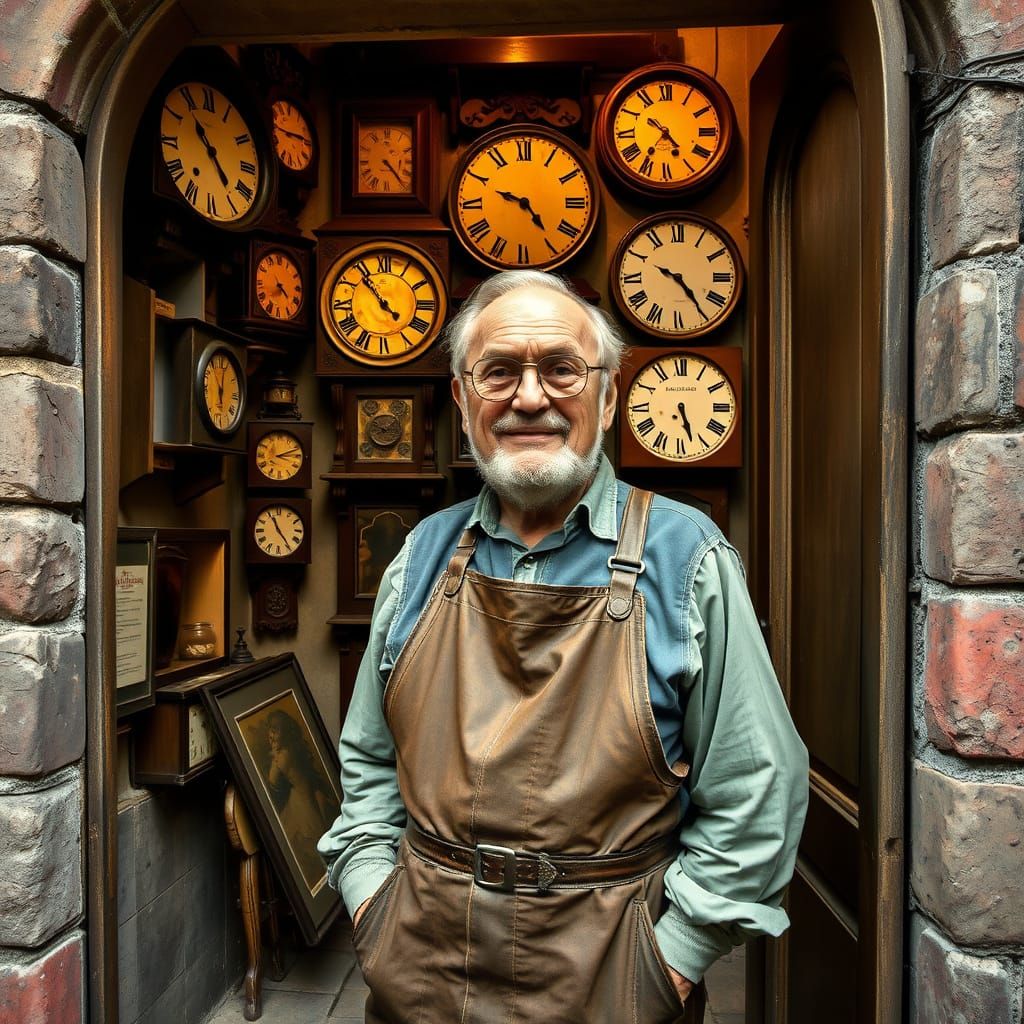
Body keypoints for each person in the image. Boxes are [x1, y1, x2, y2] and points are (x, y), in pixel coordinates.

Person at [318, 270, 808, 1024]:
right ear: (463, 400)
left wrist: (669, 962)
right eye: (499, 371)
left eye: (561, 368)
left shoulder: (688, 559)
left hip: (613, 976)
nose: (529, 397)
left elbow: (755, 789)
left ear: (608, 397)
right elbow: (368, 759)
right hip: (420, 967)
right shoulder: (420, 554)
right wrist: (371, 902)